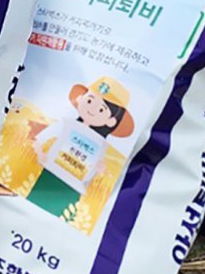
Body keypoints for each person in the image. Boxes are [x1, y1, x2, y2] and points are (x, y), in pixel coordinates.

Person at [27, 75, 135, 219]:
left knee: (61, 215)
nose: (91, 108)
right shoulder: (67, 124)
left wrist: (100, 169)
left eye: (101, 110)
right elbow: (40, 139)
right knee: (32, 205)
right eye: (89, 100)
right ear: (80, 100)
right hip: (50, 173)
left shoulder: (100, 144)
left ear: (111, 121)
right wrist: (41, 155)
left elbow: (98, 168)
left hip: (75, 186)